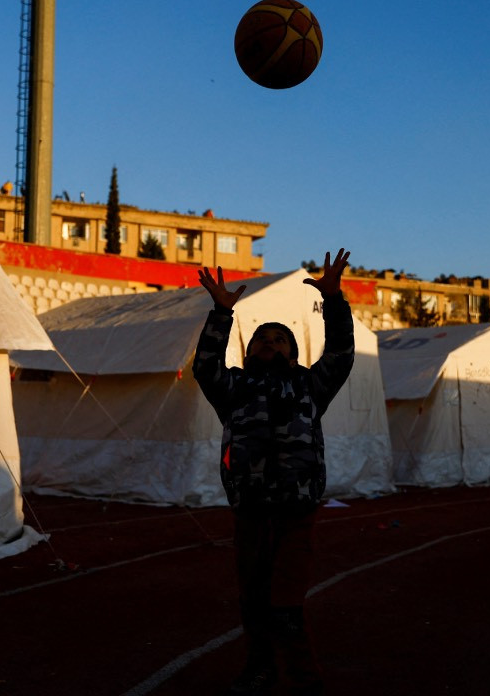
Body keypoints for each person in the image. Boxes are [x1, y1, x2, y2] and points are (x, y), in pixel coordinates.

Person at [193, 248, 354, 696]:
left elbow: (340, 353)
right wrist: (221, 315)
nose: (271, 343)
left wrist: (334, 300)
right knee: (254, 602)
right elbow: (205, 366)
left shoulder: (310, 385)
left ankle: (304, 682)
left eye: (281, 339)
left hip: (295, 513)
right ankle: (260, 668)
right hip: (249, 512)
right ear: (249, 351)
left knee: (285, 606)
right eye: (263, 339)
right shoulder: (234, 388)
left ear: (293, 352)